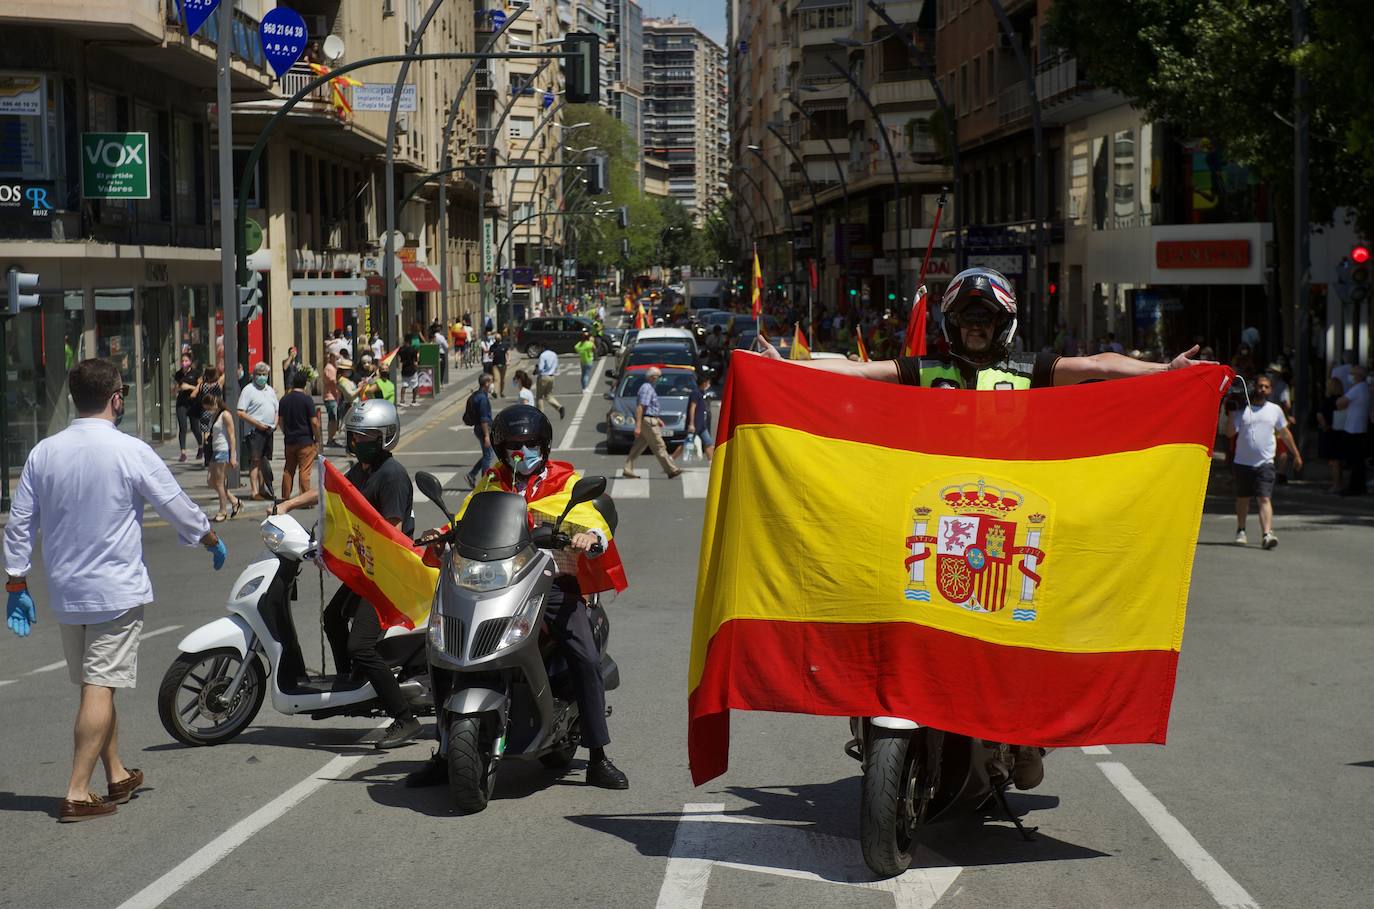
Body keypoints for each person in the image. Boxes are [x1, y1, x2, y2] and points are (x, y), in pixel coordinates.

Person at [759, 266, 1208, 790]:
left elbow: (1097, 365)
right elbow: (859, 371)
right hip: (932, 514)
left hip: (1010, 520)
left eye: (985, 318)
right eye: (966, 318)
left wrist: (1162, 371)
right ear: (950, 323)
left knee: (1035, 614)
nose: (975, 327)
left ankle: (1027, 737)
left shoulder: (1031, 366)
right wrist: (791, 367)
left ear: (1004, 324)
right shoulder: (924, 369)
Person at [4, 358, 228, 822]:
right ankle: (77, 791)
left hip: (67, 591)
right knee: (101, 684)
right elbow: (174, 504)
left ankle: (117, 772)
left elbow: (20, 522)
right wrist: (208, 537)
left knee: (96, 684)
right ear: (116, 398)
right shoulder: (129, 450)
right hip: (115, 589)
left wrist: (16, 580)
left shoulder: (44, 452)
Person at [407, 405, 629, 790]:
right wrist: (441, 533)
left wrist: (591, 538)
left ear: (543, 447)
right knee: (441, 649)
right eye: (511, 445)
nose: (519, 452)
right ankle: (445, 753)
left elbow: (594, 519)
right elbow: (465, 519)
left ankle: (597, 757)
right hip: (495, 585)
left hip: (552, 583)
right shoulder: (492, 483)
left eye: (528, 445)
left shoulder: (563, 482)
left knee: (584, 656)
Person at [321, 400, 421, 750]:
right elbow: (337, 498)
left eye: (367, 436)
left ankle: (405, 718)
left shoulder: (392, 476)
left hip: (386, 573)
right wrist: (290, 508)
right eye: (355, 435)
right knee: (332, 617)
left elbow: (391, 533)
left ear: (386, 438)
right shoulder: (361, 470)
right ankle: (356, 684)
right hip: (367, 568)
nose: (359, 440)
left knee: (360, 644)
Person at [1226, 374, 1302, 548]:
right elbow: (1230, 433)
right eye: (1260, 386)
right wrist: (1231, 414)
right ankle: (1241, 530)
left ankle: (1267, 534)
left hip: (1265, 463)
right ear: (1254, 388)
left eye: (1266, 387)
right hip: (1242, 462)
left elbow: (1284, 433)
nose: (1263, 389)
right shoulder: (1242, 409)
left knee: (1264, 497)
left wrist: (1296, 454)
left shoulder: (1274, 410)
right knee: (1243, 498)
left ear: (1270, 390)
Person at [623, 367, 683, 480]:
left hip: (650, 420)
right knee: (659, 445)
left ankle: (628, 468)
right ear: (652, 377)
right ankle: (671, 469)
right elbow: (641, 407)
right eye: (659, 377)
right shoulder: (647, 388)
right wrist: (638, 426)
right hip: (648, 422)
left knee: (638, 446)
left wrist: (657, 418)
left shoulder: (649, 388)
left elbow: (649, 407)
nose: (660, 379)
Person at [237, 362, 279, 500]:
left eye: (264, 374)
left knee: (264, 460)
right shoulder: (248, 390)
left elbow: (276, 409)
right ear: (254, 375)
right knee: (255, 461)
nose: (262, 377)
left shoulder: (270, 390)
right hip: (255, 431)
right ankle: (254, 491)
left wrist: (275, 423)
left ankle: (262, 489)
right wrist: (258, 424)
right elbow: (241, 412)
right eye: (259, 374)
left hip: (268, 430)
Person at [201, 388, 242, 521]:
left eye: (207, 407)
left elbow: (232, 436)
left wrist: (233, 455)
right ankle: (234, 501)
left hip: (223, 451)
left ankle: (222, 511)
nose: (207, 410)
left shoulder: (225, 415)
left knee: (219, 483)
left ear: (213, 403)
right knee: (211, 481)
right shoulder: (216, 415)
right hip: (215, 451)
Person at [279, 371, 320, 501]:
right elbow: (314, 422)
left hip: (290, 440)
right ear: (305, 384)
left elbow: (280, 420)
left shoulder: (284, 399)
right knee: (305, 470)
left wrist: (286, 432)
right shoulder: (307, 400)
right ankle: (304, 499)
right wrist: (317, 438)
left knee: (288, 470)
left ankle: (285, 497)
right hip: (305, 440)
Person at [1335, 364, 1369, 496]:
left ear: (1359, 376)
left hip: (1354, 429)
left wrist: (1340, 400)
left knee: (1355, 460)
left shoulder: (1357, 388)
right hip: (1358, 428)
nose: (1351, 376)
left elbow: (1340, 403)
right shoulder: (1363, 388)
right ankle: (1358, 486)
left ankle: (1354, 487)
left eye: (1353, 374)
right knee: (1357, 460)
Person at [464, 374, 496, 488]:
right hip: (483, 429)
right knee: (488, 456)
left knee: (487, 455)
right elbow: (484, 419)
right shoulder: (482, 398)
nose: (493, 384)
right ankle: (485, 483)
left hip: (479, 428)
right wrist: (487, 436)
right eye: (491, 381)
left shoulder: (479, 395)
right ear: (486, 383)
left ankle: (472, 474)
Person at [173, 353, 202, 463]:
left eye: (186, 361)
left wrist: (189, 387)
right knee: (183, 427)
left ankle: (200, 446)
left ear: (190, 362)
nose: (184, 363)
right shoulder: (178, 374)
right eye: (182, 361)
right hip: (181, 403)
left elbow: (200, 387)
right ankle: (183, 452)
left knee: (195, 428)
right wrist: (177, 389)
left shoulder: (196, 373)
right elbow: (175, 388)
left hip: (193, 402)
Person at [1317, 377, 1345, 493]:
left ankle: (1336, 484)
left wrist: (1324, 427)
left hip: (1330, 432)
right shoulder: (1343, 400)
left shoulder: (1327, 401)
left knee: (1334, 461)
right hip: (1341, 431)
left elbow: (1320, 415)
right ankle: (1339, 483)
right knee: (1339, 460)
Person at [686, 373, 715, 461]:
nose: (709, 385)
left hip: (701, 424)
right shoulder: (696, 393)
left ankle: (712, 463)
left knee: (708, 443)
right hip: (695, 424)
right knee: (686, 443)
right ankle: (671, 460)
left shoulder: (701, 393)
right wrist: (691, 423)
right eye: (708, 383)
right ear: (704, 383)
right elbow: (692, 407)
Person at [535, 343, 566, 418]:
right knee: (549, 395)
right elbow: (556, 366)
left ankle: (540, 414)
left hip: (543, 376)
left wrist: (536, 369)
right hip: (551, 376)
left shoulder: (543, 355)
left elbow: (541, 368)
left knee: (539, 396)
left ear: (543, 347)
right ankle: (559, 407)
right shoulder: (554, 354)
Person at [322, 351, 341, 448]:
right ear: (331, 357)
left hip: (335, 397)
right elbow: (333, 381)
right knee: (332, 418)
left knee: (335, 419)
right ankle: (330, 439)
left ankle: (333, 438)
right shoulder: (329, 368)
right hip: (330, 397)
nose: (338, 360)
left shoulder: (334, 368)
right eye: (336, 358)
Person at [398, 337, 420, 407]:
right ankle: (413, 401)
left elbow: (400, 359)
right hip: (412, 369)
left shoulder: (401, 349)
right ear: (411, 342)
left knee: (404, 385)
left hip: (404, 369)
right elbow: (415, 362)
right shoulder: (413, 350)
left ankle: (402, 400)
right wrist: (417, 368)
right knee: (415, 385)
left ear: (405, 342)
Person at [490, 331, 509, 397]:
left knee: (502, 379)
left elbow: (507, 353)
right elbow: (490, 354)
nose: (497, 339)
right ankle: (495, 392)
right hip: (495, 364)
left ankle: (502, 392)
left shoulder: (504, 345)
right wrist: (491, 355)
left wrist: (508, 361)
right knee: (496, 378)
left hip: (503, 364)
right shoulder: (493, 346)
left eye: (498, 338)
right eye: (496, 338)